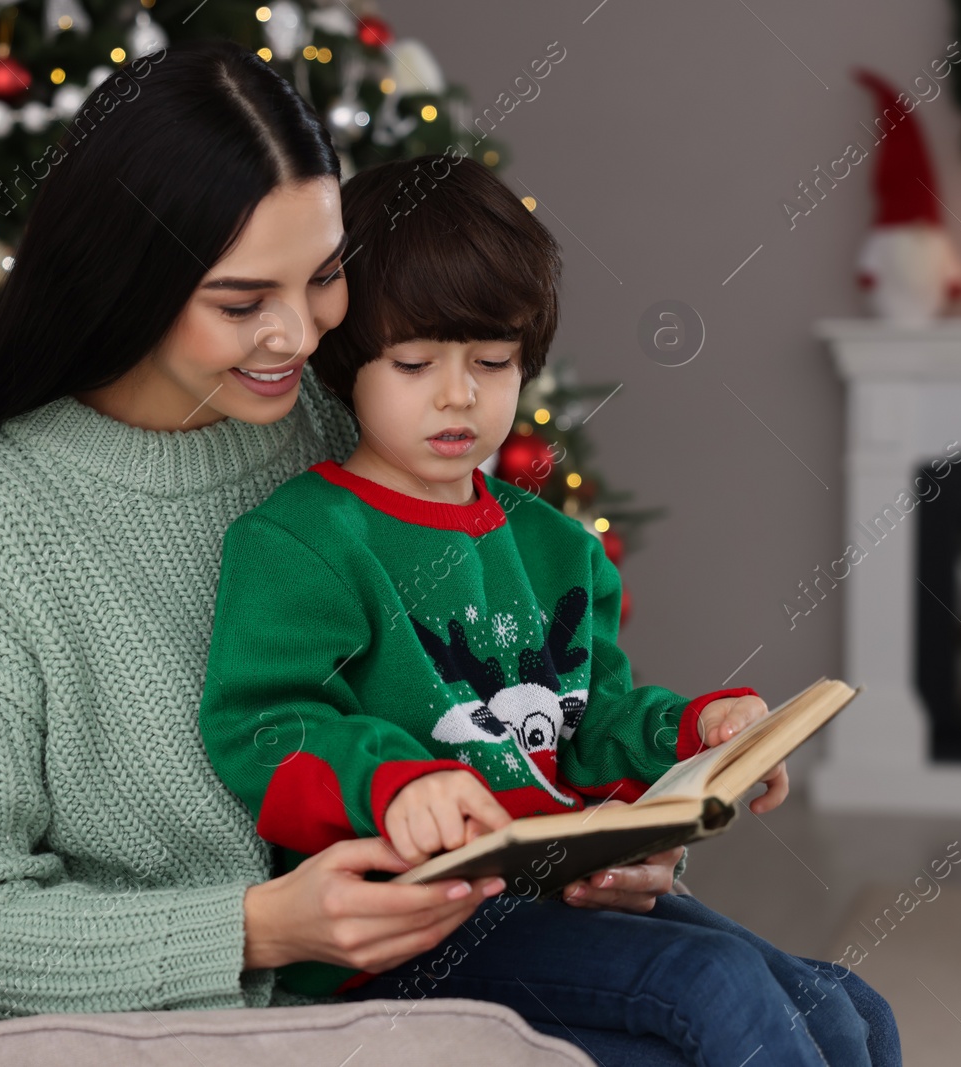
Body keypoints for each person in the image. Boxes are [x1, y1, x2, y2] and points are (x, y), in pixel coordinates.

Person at [0, 38, 708, 1063]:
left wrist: (595, 834)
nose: (301, 335)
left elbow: (489, 689)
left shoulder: (328, 421)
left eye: (325, 276)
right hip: (238, 1018)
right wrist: (260, 925)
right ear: (127, 279)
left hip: (466, 923)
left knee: (824, 1008)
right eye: (241, 301)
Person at [197, 155, 900, 1066]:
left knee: (847, 1004)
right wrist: (398, 783)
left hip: (550, 892)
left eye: (492, 363)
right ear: (347, 364)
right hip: (416, 926)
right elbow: (263, 726)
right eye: (415, 363)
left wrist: (699, 734)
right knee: (713, 988)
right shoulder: (306, 538)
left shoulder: (557, 547)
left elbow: (596, 721)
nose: (459, 394)